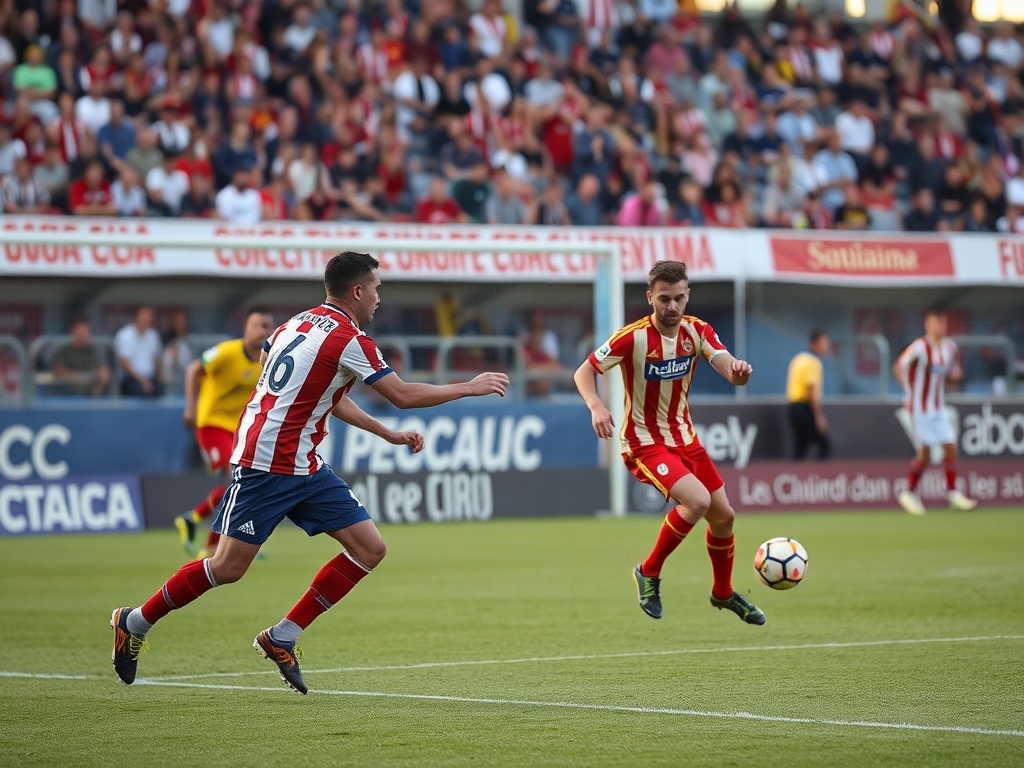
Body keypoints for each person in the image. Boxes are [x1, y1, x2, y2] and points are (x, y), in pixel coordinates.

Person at [111, 252, 510, 694]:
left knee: (369, 548)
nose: (379, 297)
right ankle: (134, 621)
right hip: (265, 464)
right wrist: (469, 387)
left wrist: (385, 433)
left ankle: (282, 635)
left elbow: (318, 393)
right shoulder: (350, 340)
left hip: (304, 462)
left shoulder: (291, 325)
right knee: (226, 568)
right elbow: (402, 393)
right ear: (357, 291)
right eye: (376, 288)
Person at [573, 259, 765, 625]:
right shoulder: (632, 337)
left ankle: (723, 593)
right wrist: (596, 404)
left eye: (679, 298)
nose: (672, 306)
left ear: (688, 295)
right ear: (650, 298)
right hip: (644, 442)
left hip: (685, 438)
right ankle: (648, 571)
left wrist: (739, 372)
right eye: (664, 299)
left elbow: (727, 368)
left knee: (724, 517)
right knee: (697, 501)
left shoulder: (698, 332)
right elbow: (584, 371)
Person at [176, 308, 275, 558]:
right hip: (210, 423)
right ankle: (210, 541)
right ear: (246, 328)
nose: (264, 330)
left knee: (245, 483)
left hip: (238, 429)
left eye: (267, 326)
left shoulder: (270, 360)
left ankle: (198, 524)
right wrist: (190, 407)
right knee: (232, 480)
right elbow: (192, 370)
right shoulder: (226, 352)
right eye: (258, 325)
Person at [893, 309, 977, 515]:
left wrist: (953, 378)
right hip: (918, 408)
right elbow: (899, 367)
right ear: (927, 325)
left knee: (950, 445)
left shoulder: (950, 348)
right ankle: (909, 493)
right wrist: (908, 391)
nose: (941, 326)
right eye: (936, 322)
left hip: (938, 407)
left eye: (943, 322)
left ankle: (952, 493)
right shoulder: (920, 347)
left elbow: (949, 376)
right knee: (926, 452)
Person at [786, 331, 831, 460]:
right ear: (815, 343)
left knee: (800, 449)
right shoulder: (812, 362)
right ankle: (820, 478)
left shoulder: (798, 359)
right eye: (824, 342)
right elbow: (810, 390)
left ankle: (797, 477)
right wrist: (818, 416)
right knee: (825, 445)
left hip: (793, 408)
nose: (826, 346)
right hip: (804, 408)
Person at [48, 317, 111, 396]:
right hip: (66, 388)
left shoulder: (93, 348)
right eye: (81, 333)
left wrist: (102, 376)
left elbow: (102, 369)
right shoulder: (62, 348)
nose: (84, 336)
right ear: (73, 332)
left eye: (86, 332)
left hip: (89, 387)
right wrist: (77, 377)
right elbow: (57, 371)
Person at [115, 305, 163, 397]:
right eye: (143, 317)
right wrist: (142, 380)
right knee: (140, 391)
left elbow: (157, 361)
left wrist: (160, 377)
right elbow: (125, 365)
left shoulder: (153, 335)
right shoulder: (125, 335)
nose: (146, 320)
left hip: (150, 377)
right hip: (131, 378)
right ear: (136, 318)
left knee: (160, 390)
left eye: (149, 318)